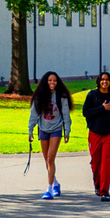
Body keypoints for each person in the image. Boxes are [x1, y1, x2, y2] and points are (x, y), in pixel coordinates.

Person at [28, 71, 74, 200]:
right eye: (49, 80)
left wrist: (67, 131)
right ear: (45, 82)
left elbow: (66, 115)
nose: (52, 83)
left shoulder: (61, 96)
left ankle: (48, 189)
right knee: (47, 161)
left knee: (50, 158)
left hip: (56, 129)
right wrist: (30, 130)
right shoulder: (40, 96)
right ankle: (56, 184)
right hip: (43, 128)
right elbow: (34, 114)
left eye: (54, 80)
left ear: (57, 82)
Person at [83, 70, 110, 200]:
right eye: (102, 79)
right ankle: (97, 185)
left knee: (107, 162)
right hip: (95, 133)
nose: (104, 82)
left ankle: (104, 191)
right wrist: (102, 108)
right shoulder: (92, 95)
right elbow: (86, 112)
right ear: (98, 81)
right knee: (96, 162)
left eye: (107, 79)